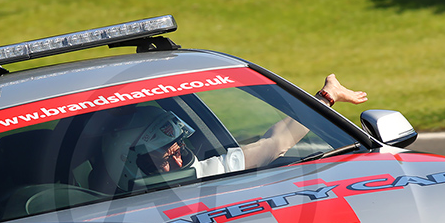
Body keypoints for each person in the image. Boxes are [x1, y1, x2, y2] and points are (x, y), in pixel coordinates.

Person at [101, 74, 368, 191]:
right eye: (165, 159)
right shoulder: (93, 210)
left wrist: (326, 97)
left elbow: (276, 143)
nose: (180, 162)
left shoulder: (202, 173)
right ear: (128, 164)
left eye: (179, 150)